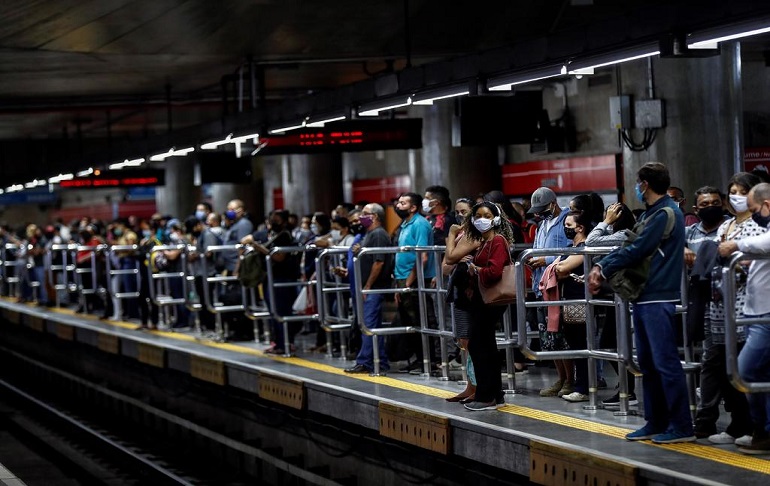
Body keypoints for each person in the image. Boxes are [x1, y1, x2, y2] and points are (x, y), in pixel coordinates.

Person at [588, 162, 693, 444]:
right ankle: (655, 421)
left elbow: (638, 248)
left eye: (638, 182)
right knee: (648, 362)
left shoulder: (665, 213)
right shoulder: (654, 213)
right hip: (645, 295)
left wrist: (602, 267)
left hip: (659, 295)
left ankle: (682, 425)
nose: (636, 187)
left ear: (644, 184)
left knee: (665, 362)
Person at [694, 173, 763, 444]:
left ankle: (751, 425)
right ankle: (736, 424)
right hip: (718, 306)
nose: (736, 195)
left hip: (744, 305)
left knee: (743, 365)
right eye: (732, 190)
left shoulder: (757, 226)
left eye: (742, 190)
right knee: (719, 362)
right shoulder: (728, 225)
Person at [718, 182, 770, 454]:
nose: (754, 215)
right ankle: (762, 431)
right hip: (755, 312)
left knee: (746, 369)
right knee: (759, 372)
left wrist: (737, 243)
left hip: (766, 314)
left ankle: (764, 429)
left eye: (754, 209)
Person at [584, 202, 640, 408]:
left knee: (614, 341)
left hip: (623, 297)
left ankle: (628, 389)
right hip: (614, 297)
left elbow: (590, 242)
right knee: (611, 342)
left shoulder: (624, 234)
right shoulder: (618, 234)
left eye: (609, 214)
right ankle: (627, 388)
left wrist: (605, 221)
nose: (606, 217)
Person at [462, 201, 515, 411]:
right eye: (478, 216)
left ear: (496, 218)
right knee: (487, 345)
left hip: (491, 300)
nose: (481, 219)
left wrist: (475, 269)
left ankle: (486, 395)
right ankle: (495, 393)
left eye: (486, 215)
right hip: (481, 299)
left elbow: (494, 271)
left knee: (478, 344)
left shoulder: (498, 241)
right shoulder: (483, 242)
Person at [527, 187, 571, 396]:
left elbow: (571, 251)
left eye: (542, 209)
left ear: (553, 204)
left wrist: (546, 260)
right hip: (541, 284)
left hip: (558, 285)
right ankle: (560, 378)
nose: (538, 214)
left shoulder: (566, 222)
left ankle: (570, 379)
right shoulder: (541, 225)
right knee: (549, 337)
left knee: (562, 336)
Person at [344, 203, 393, 374]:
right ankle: (380, 361)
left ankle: (365, 362)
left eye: (365, 213)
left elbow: (378, 262)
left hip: (372, 289)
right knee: (371, 326)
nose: (360, 217)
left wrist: (368, 286)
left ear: (375, 216)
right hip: (366, 288)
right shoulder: (368, 234)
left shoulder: (378, 234)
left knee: (368, 325)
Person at [442, 197, 481, 401]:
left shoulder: (473, 235)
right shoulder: (460, 236)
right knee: (464, 341)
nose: (460, 216)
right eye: (457, 212)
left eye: (464, 212)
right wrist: (456, 255)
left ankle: (477, 387)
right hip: (458, 293)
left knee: (472, 341)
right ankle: (470, 385)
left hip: (471, 293)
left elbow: (449, 258)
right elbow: (446, 267)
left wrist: (450, 235)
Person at [554, 210, 594, 402]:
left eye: (569, 225)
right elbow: (559, 269)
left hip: (579, 301)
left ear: (580, 227)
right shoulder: (571, 247)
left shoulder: (584, 247)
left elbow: (560, 268)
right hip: (568, 300)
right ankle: (581, 386)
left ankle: (583, 388)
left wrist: (561, 267)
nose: (565, 228)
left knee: (581, 345)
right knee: (574, 343)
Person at [393, 192, 437, 372]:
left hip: (416, 279)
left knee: (421, 320)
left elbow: (422, 256)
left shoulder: (419, 224)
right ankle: (418, 359)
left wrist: (409, 281)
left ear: (413, 207)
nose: (398, 206)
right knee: (409, 321)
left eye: (403, 203)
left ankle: (428, 361)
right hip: (402, 278)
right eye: (398, 202)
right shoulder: (404, 224)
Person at [684, 186, 726, 268]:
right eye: (705, 204)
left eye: (715, 203)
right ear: (696, 210)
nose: (710, 206)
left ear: (723, 205)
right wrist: (682, 250)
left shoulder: (733, 227)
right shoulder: (689, 232)